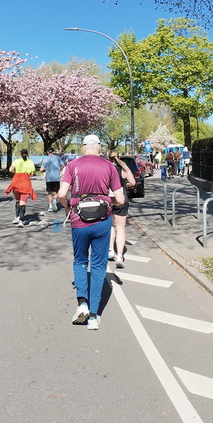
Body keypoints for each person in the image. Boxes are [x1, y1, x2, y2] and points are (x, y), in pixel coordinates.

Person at [57, 134, 124, 331]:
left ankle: (82, 304)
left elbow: (61, 194)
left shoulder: (72, 165)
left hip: (79, 219)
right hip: (102, 220)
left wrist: (68, 207)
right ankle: (94, 316)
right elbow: (120, 199)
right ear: (99, 148)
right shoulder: (109, 166)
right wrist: (106, 201)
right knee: (98, 265)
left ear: (83, 148)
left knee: (80, 261)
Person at [107, 150, 136, 269]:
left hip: (109, 201)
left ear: (108, 157)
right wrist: (124, 184)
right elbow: (133, 182)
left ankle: (110, 250)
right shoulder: (124, 168)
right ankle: (119, 256)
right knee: (120, 229)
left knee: (111, 226)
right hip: (122, 200)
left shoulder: (106, 168)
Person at [5, 149, 37, 227]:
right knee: (22, 202)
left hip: (16, 182)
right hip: (25, 183)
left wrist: (16, 172)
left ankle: (16, 217)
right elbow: (32, 173)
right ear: (27, 154)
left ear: (20, 154)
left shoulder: (16, 161)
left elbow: (10, 169)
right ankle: (21, 220)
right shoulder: (30, 162)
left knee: (17, 200)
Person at [41, 148, 64, 212]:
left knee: (49, 192)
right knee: (56, 192)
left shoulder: (46, 159)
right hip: (56, 178)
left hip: (49, 178)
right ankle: (54, 200)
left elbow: (41, 169)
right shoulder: (58, 158)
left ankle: (50, 206)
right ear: (53, 152)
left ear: (47, 152)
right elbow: (63, 165)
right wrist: (59, 169)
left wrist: (45, 169)